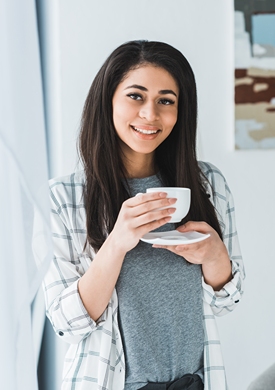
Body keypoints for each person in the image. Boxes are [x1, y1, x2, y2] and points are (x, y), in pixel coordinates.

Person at [42, 40, 245, 390]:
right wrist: (118, 242)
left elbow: (227, 301)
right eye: (135, 96)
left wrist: (214, 254)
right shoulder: (64, 198)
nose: (150, 115)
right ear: (108, 100)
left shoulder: (207, 185)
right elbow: (67, 323)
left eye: (166, 101)